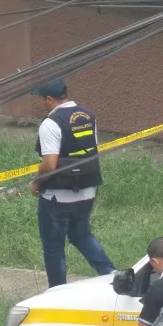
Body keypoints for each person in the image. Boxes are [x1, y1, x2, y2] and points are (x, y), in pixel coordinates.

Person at [29, 78, 115, 287]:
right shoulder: (87, 116)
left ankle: (57, 292)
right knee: (82, 235)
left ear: (49, 99)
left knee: (53, 247)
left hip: (58, 196)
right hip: (87, 191)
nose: (42, 103)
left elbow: (49, 163)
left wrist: (36, 182)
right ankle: (111, 275)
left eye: (42, 99)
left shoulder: (51, 123)